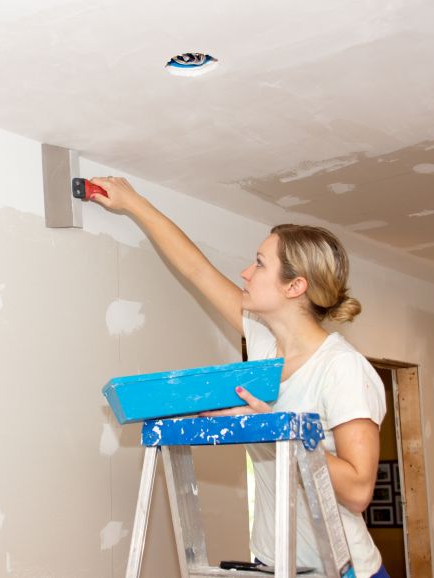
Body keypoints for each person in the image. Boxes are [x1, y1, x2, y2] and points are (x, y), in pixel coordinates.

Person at [90, 177, 390, 578]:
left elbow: (358, 492)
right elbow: (197, 269)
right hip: (276, 565)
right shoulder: (264, 344)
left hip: (343, 569)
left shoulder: (342, 368)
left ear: (295, 286)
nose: (246, 273)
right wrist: (133, 203)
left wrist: (270, 427)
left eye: (260, 264)